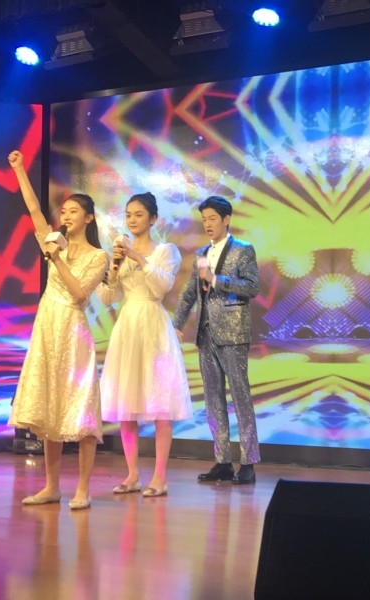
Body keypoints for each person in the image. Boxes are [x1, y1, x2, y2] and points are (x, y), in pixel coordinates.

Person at [7, 150, 109, 509]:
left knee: (80, 408)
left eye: (73, 211)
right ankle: (51, 486)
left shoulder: (98, 256)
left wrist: (56, 257)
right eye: (64, 211)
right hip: (47, 326)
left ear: (88, 218)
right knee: (49, 407)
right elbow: (34, 208)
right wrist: (20, 169)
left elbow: (80, 294)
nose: (65, 216)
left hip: (73, 330)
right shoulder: (53, 239)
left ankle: (83, 489)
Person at [96, 193, 193, 497]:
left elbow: (162, 286)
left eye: (139, 214)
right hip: (128, 326)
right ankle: (132, 475)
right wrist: (114, 267)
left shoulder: (165, 250)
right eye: (128, 215)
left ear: (153, 219)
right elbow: (107, 297)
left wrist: (138, 258)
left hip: (153, 325)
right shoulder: (118, 253)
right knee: (127, 406)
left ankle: (160, 477)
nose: (132, 220)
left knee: (160, 403)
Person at [172, 196, 260, 484]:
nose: (208, 224)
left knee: (241, 397)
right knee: (213, 400)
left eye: (212, 218)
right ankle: (222, 461)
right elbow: (190, 292)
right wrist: (176, 325)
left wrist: (216, 279)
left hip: (233, 333)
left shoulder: (243, 250)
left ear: (226, 219)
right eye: (204, 219)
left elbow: (252, 287)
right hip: (205, 333)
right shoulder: (201, 253)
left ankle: (248, 463)